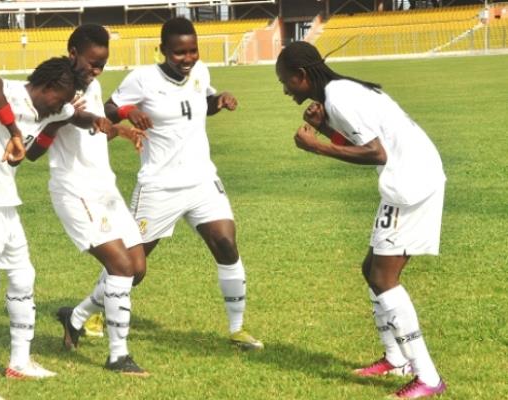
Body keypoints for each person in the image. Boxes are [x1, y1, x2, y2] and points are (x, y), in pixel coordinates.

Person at [275, 41, 447, 399]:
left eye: (287, 82)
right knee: (372, 269)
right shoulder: (341, 92)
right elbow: (365, 142)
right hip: (413, 174)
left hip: (410, 182)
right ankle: (396, 358)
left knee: (384, 278)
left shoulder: (339, 97)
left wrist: (316, 146)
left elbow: (375, 152)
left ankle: (427, 377)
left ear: (302, 76)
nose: (286, 90)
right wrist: (324, 130)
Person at [0, 56, 106, 399]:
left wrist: (105, 123)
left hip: (5, 203)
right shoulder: (13, 92)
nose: (60, 106)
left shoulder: (55, 108)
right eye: (60, 98)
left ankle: (19, 361)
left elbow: (73, 117)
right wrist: (15, 132)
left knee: (23, 278)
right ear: (48, 87)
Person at [103, 17, 263, 351]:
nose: (188, 59)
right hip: (159, 185)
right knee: (131, 264)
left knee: (226, 243)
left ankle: (237, 328)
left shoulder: (200, 72)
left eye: (192, 51)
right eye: (179, 53)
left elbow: (199, 106)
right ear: (162, 50)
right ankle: (93, 311)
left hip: (202, 179)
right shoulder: (143, 79)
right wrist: (130, 111)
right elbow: (109, 109)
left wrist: (219, 101)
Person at [23, 24, 149, 376]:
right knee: (120, 268)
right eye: (92, 63)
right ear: (73, 52)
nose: (96, 71)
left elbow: (94, 132)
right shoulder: (54, 90)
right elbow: (32, 151)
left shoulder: (92, 86)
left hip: (105, 188)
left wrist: (119, 128)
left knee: (136, 269)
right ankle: (118, 355)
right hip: (74, 191)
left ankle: (75, 317)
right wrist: (60, 121)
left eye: (103, 65)